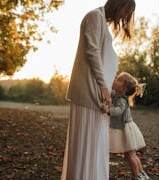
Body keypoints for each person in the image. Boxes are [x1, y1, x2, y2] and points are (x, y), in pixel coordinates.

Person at [61, 0, 136, 179]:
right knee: (87, 145)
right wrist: (104, 85)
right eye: (127, 11)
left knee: (95, 146)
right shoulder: (95, 16)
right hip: (90, 93)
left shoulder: (101, 20)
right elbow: (92, 52)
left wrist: (108, 89)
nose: (125, 17)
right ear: (119, 4)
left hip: (99, 95)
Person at [102, 72, 150, 180]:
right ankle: (142, 174)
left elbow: (119, 110)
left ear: (123, 89)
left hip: (126, 130)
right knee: (132, 155)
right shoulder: (118, 95)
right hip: (128, 129)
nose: (115, 79)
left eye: (118, 79)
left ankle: (137, 176)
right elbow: (110, 93)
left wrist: (108, 110)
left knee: (130, 156)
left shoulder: (122, 100)